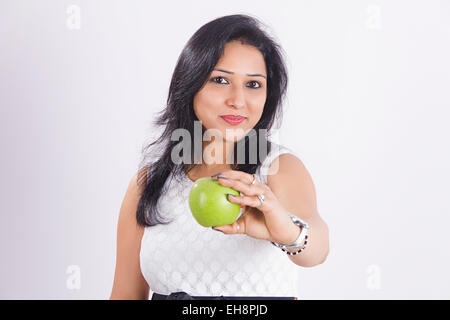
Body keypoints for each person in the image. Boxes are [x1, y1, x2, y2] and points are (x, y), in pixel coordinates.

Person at [110, 14, 329, 300]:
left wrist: (285, 230)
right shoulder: (149, 182)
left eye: (253, 84)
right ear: (190, 84)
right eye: (220, 80)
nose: (237, 100)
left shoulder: (278, 169)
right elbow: (125, 294)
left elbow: (318, 250)